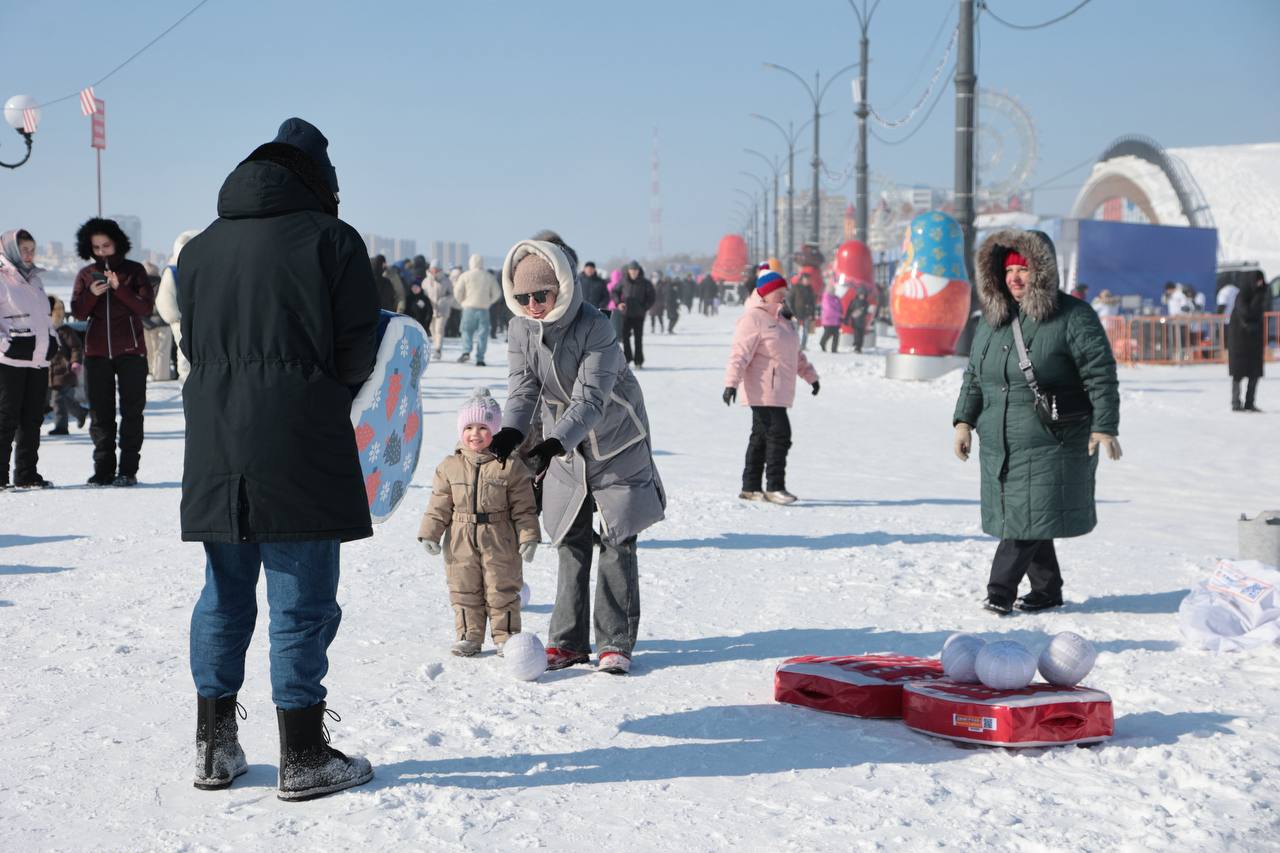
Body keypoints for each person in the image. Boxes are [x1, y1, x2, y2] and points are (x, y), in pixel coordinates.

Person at [178, 117, 377, 799]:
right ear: (319, 180)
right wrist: (324, 396)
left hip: (215, 440)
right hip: (299, 440)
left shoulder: (200, 247)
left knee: (223, 591)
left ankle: (213, 747)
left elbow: (191, 346)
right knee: (300, 598)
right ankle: (303, 753)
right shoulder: (333, 240)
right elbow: (358, 348)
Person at [490, 230, 665, 675]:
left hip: (615, 439)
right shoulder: (519, 328)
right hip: (565, 446)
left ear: (562, 288)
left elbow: (591, 400)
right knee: (569, 536)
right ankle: (567, 641)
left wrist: (553, 443)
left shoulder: (596, 326)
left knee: (618, 537)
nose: (533, 305)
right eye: (523, 297)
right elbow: (523, 389)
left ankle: (614, 642)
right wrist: (511, 431)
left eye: (541, 295)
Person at [952, 229, 1121, 615]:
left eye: (1023, 269)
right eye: (1009, 270)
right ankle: (1046, 590)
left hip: (1052, 439)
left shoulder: (1073, 316)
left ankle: (999, 592)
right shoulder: (992, 320)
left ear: (1042, 272)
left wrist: (1105, 426)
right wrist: (963, 422)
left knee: (1024, 516)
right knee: (1029, 513)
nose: (1015, 278)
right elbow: (975, 376)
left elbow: (1100, 374)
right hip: (1001, 441)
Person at [418, 388, 540, 656]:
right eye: (469, 427)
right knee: (463, 588)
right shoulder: (449, 465)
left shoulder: (509, 465)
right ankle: (468, 636)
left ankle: (506, 637)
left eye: (483, 427)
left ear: (495, 430)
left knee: (502, 588)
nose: (475, 433)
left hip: (500, 537)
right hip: (459, 538)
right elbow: (439, 503)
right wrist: (430, 533)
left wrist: (529, 536)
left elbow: (524, 507)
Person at [723, 263, 819, 505]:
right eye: (779, 292)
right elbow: (739, 354)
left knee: (761, 436)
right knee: (780, 434)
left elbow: (794, 354)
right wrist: (731, 383)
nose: (783, 296)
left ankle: (750, 487)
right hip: (762, 389)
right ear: (765, 293)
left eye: (784, 292)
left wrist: (811, 376)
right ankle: (775, 487)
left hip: (779, 390)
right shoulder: (753, 319)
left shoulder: (783, 319)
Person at [70, 217, 155, 487]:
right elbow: (78, 312)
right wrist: (92, 294)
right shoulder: (86, 274)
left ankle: (128, 470)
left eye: (106, 245)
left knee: (132, 412)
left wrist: (120, 289)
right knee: (100, 414)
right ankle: (103, 469)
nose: (102, 251)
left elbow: (145, 308)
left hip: (132, 352)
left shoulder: (134, 271)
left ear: (117, 243)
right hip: (96, 354)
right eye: (96, 247)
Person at [0, 229, 58, 489]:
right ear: (11, 249)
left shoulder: (35, 279)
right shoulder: (2, 277)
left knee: (33, 418)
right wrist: (6, 345)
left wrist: (53, 340)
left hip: (37, 359)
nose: (29, 254)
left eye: (32, 249)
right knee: (5, 418)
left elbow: (43, 317)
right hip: (9, 361)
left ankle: (26, 473)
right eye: (24, 249)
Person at [155, 229, 201, 382]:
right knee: (184, 355)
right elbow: (164, 299)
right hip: (182, 320)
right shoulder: (173, 271)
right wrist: (176, 318)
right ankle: (186, 382)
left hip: (199, 319)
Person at [46, 296, 87, 435]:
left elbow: (76, 347)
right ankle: (79, 413)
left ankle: (62, 425)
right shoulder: (47, 331)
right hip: (53, 373)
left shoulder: (64, 331)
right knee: (62, 399)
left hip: (65, 371)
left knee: (59, 400)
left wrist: (75, 362)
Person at [453, 254, 502, 366]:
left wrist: (462, 302)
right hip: (484, 309)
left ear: (471, 263)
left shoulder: (465, 276)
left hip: (468, 308)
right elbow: (497, 293)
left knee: (466, 331)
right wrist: (489, 302)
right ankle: (480, 358)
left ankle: (466, 352)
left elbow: (457, 291)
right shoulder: (489, 276)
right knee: (483, 334)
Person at [1228, 271, 1267, 412]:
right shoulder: (1242, 296)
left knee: (1254, 373)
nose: (1260, 284)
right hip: (1239, 341)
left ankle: (1250, 402)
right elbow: (1245, 313)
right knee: (1238, 373)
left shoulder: (1260, 295)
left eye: (1261, 281)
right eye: (1257, 280)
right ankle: (1236, 402)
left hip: (1255, 341)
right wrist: (1251, 325)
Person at [617, 260, 655, 368]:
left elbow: (652, 297)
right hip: (626, 314)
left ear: (639, 271)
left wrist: (644, 307)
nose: (633, 272)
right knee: (625, 338)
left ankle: (639, 361)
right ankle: (627, 359)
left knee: (638, 339)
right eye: (631, 270)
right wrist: (619, 303)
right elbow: (615, 292)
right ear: (628, 271)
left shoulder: (645, 283)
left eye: (635, 270)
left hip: (639, 315)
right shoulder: (623, 281)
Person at [424, 261, 455, 357]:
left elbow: (452, 295)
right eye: (432, 269)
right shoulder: (426, 281)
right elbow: (423, 294)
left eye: (436, 269)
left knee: (439, 329)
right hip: (430, 310)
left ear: (440, 269)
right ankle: (436, 346)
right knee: (432, 330)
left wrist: (444, 300)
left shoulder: (446, 281)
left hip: (442, 310)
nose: (434, 271)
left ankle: (438, 349)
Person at [786, 271, 816, 350]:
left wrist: (812, 314)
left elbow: (813, 303)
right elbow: (790, 300)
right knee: (796, 330)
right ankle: (795, 345)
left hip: (807, 313)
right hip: (797, 312)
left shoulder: (810, 289)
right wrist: (792, 312)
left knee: (805, 331)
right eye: (806, 279)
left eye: (809, 279)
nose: (808, 281)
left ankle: (803, 345)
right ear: (802, 280)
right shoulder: (796, 287)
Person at [845, 285, 871, 353]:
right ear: (858, 294)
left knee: (861, 335)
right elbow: (849, 310)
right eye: (861, 295)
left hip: (862, 322)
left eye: (863, 295)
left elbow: (867, 312)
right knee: (857, 334)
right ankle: (856, 346)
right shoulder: (854, 301)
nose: (862, 296)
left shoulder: (866, 303)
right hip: (855, 322)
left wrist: (865, 312)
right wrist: (847, 319)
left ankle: (859, 347)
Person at [818, 280, 843, 352]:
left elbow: (840, 307)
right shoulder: (826, 298)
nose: (833, 291)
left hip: (836, 320)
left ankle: (834, 349)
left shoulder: (836, 298)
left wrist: (840, 314)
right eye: (831, 290)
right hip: (828, 320)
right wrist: (839, 314)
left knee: (836, 335)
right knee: (827, 334)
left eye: (834, 290)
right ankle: (822, 343)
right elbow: (829, 309)